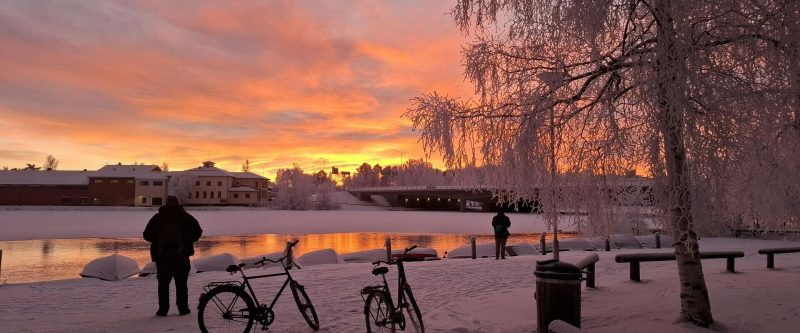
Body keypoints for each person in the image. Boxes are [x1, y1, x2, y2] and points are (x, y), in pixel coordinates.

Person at [143, 195, 203, 317]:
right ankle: (183, 309)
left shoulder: (158, 218)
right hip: (181, 258)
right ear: (177, 204)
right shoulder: (185, 217)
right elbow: (198, 231)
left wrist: (158, 240)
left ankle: (163, 310)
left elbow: (146, 235)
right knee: (181, 284)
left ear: (166, 204)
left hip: (162, 258)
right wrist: (188, 241)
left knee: (163, 285)